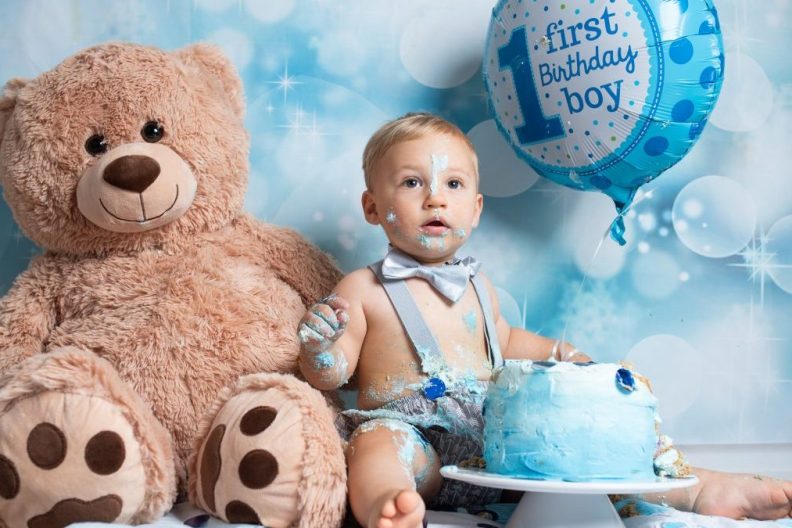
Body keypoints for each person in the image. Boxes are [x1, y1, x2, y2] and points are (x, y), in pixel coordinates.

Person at [297, 113, 792, 528]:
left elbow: (505, 340)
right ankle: (387, 504)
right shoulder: (363, 289)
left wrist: (561, 355)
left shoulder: (475, 284)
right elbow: (334, 373)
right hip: (416, 440)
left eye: (453, 184)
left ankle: (703, 490)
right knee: (376, 447)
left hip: (493, 449)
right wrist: (323, 347)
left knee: (585, 462)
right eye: (412, 183)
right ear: (371, 207)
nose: (435, 199)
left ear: (475, 208)